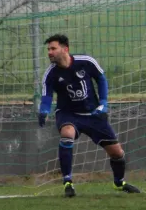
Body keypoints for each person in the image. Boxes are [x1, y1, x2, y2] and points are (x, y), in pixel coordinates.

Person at [38, 34, 140, 197]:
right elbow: (47, 96)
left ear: (65, 49)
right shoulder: (50, 74)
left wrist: (104, 103)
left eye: (53, 48)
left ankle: (119, 183)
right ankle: (68, 182)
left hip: (93, 114)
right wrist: (43, 109)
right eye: (48, 49)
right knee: (67, 134)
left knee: (117, 153)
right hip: (68, 114)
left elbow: (101, 78)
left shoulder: (85, 61)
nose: (49, 52)